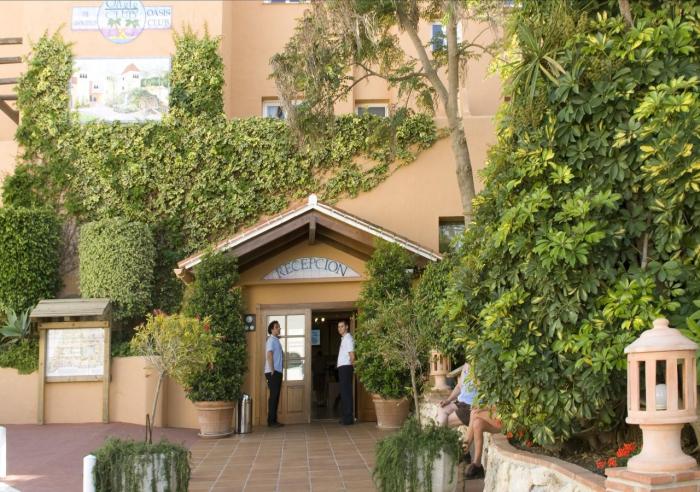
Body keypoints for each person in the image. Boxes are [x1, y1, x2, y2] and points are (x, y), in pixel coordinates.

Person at [463, 407, 502, 480]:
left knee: (475, 413)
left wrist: (483, 408)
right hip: (497, 415)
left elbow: (499, 406)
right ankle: (477, 465)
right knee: (477, 423)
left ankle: (463, 450)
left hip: (507, 418)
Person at [437, 363, 477, 428]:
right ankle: (440, 433)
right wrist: (448, 400)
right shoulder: (466, 365)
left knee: (444, 422)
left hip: (471, 406)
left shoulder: (481, 366)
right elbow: (459, 386)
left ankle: (439, 433)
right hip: (460, 403)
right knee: (442, 408)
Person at [264, 320, 284, 428]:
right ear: (271, 329)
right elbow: (269, 355)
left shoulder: (276, 340)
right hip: (273, 372)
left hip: (277, 372)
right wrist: (272, 370)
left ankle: (273, 420)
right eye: (277, 327)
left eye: (279, 327)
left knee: (275, 396)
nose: (279, 328)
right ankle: (271, 421)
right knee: (273, 397)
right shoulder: (271, 340)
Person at [336, 319, 355, 425]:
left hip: (346, 368)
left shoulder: (348, 338)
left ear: (347, 327)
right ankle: (345, 417)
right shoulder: (344, 339)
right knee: (344, 393)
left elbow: (352, 355)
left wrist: (352, 367)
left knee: (346, 393)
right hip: (343, 368)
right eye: (339, 327)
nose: (340, 328)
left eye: (342, 326)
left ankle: (348, 418)